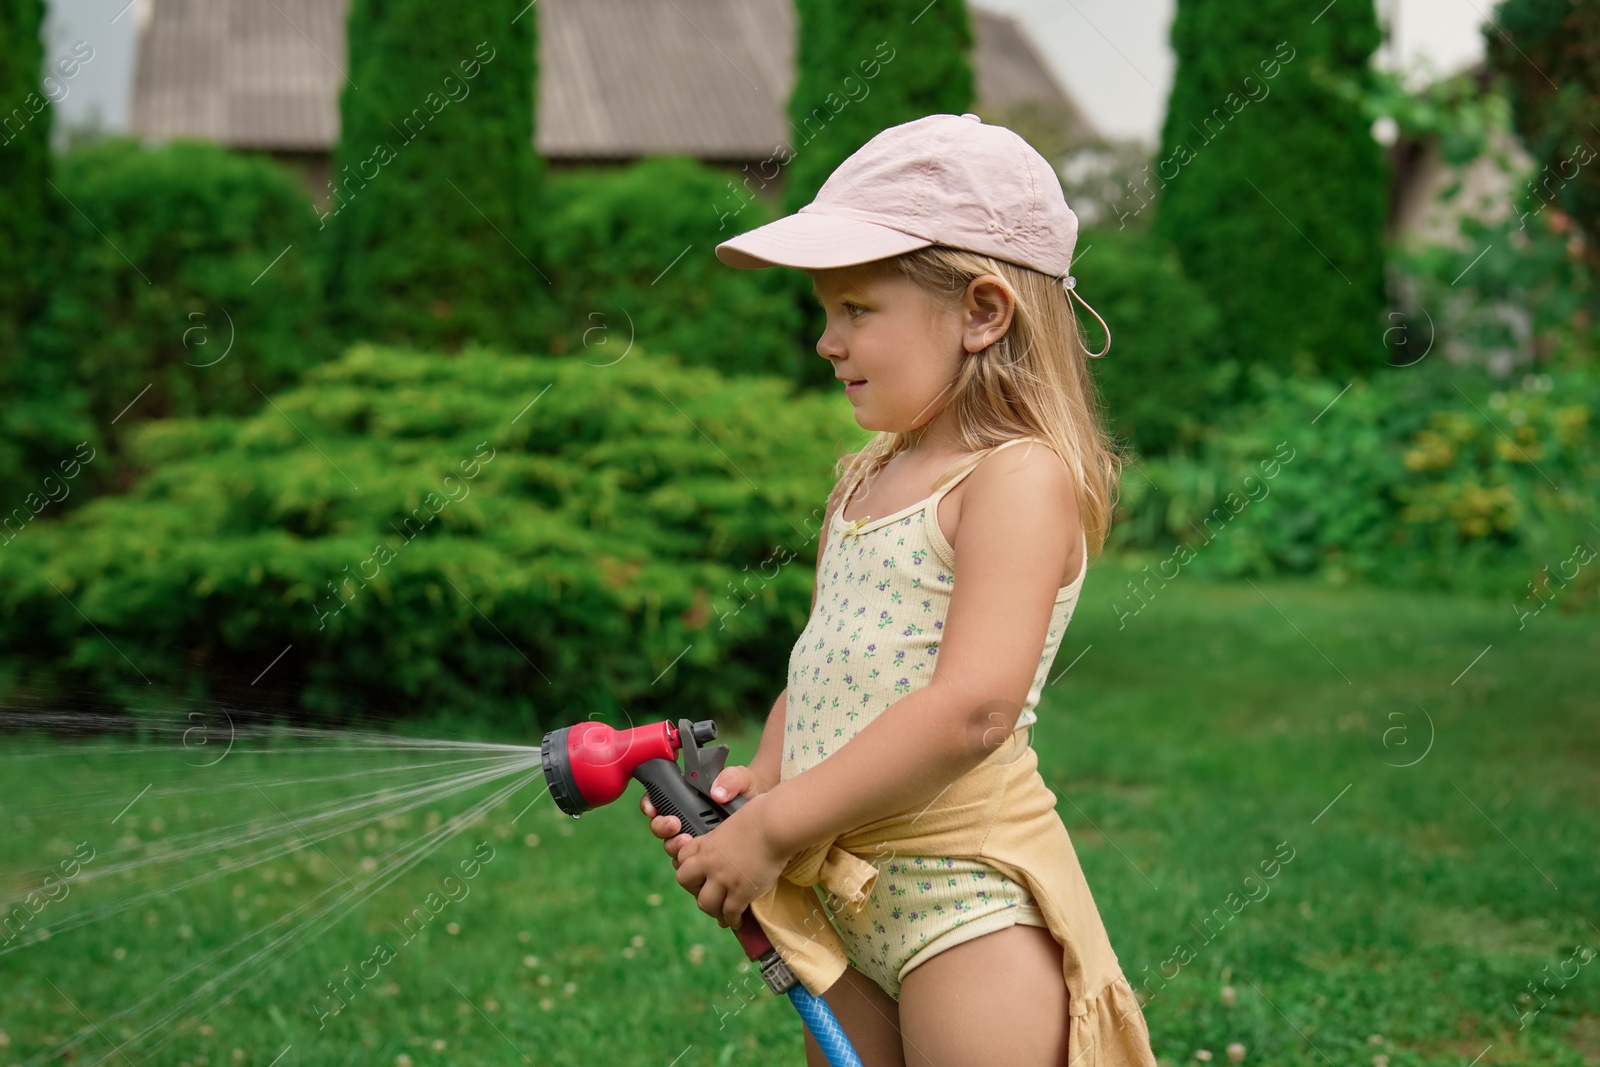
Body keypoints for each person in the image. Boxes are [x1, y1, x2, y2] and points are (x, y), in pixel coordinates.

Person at [640, 113, 1157, 1067]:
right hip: (850, 889)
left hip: (964, 901)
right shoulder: (870, 473)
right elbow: (830, 658)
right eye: (825, 313)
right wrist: (768, 781)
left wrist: (778, 829)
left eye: (857, 310)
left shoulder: (1014, 478)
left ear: (982, 312)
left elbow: (971, 709)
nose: (829, 343)